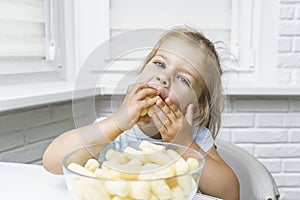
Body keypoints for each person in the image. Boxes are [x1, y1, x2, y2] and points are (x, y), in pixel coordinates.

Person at [43, 26, 240, 199]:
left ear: (198, 107)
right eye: (160, 64)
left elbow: (230, 193)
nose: (164, 77)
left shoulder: (196, 138)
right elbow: (52, 161)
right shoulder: (113, 132)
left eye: (183, 79)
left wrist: (185, 145)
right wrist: (118, 121)